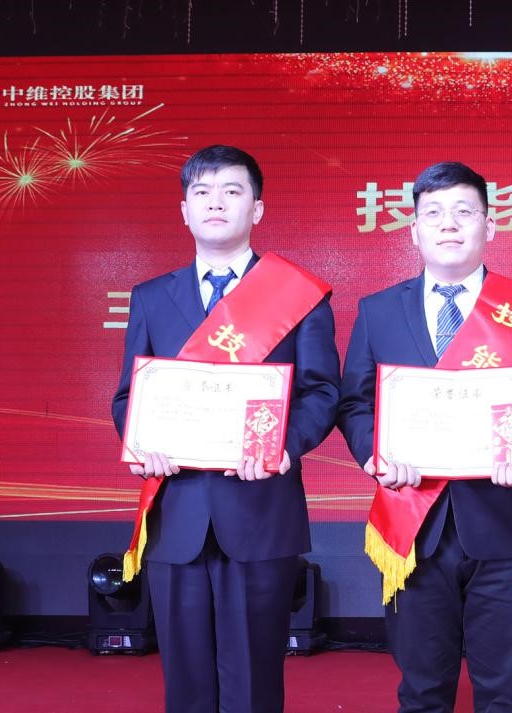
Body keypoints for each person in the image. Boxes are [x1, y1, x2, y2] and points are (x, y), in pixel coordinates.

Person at [336, 161, 512, 713]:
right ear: (414, 229)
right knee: (422, 693)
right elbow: (356, 403)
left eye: (464, 212)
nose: (449, 224)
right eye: (434, 213)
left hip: (503, 526)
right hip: (412, 526)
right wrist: (376, 455)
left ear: (489, 226)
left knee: (505, 695)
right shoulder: (378, 311)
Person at [111, 145, 341, 712]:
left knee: (253, 682)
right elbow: (128, 397)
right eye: (203, 192)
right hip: (176, 513)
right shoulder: (151, 297)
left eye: (232, 191)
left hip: (261, 510)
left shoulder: (300, 296)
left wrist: (282, 447)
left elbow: (322, 393)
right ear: (184, 210)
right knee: (185, 684)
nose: (216, 203)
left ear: (256, 209)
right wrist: (143, 444)